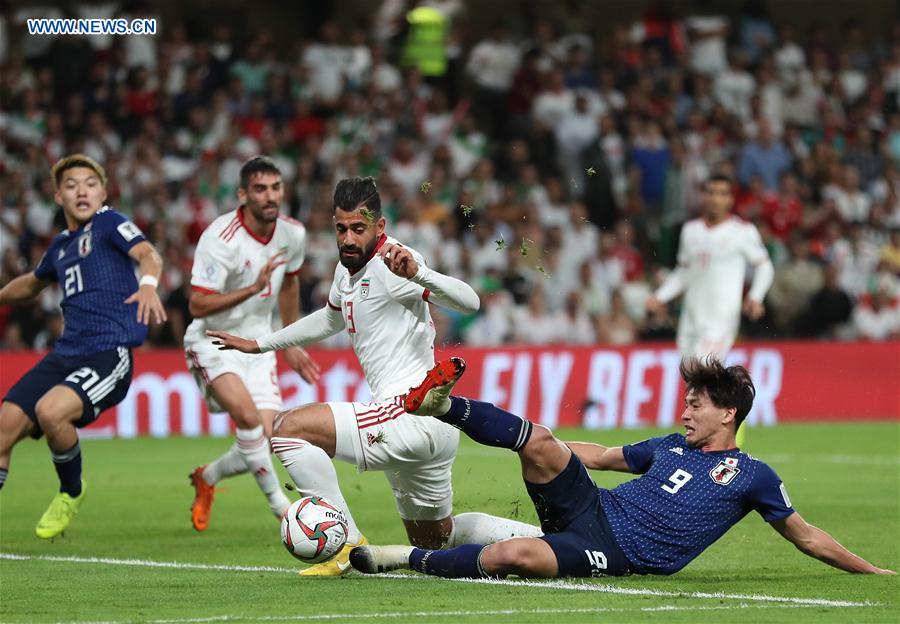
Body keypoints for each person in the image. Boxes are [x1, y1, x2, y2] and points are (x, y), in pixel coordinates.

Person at [209, 176, 541, 576]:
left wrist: (420, 273)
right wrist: (261, 344)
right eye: (341, 228)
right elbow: (330, 319)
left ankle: (345, 546)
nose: (348, 238)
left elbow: (469, 302)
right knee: (436, 540)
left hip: (411, 411)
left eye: (358, 229)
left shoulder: (394, 263)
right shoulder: (346, 270)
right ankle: (547, 540)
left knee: (287, 428)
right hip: (429, 425)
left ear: (379, 227)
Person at [350, 357, 895, 579]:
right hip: (592, 506)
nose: (684, 411)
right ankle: (442, 405)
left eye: (696, 404)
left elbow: (807, 537)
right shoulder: (669, 445)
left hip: (618, 551)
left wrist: (872, 573)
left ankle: (407, 558)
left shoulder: (753, 476)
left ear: (728, 413)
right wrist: (548, 450)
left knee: (513, 555)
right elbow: (605, 458)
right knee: (538, 439)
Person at [0, 154, 166, 539]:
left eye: (90, 183)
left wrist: (148, 284)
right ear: (58, 195)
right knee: (4, 427)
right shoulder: (60, 246)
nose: (82, 191)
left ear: (103, 192)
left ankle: (71, 490)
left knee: (50, 411)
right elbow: (31, 283)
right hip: (66, 353)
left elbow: (147, 254)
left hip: (109, 353)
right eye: (72, 185)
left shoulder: (110, 222)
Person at [185, 156, 320, 531]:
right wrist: (252, 289)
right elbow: (197, 303)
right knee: (247, 418)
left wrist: (290, 340)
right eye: (260, 189)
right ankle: (284, 510)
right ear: (243, 194)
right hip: (213, 340)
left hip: (258, 343)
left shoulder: (293, 233)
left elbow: (290, 282)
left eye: (276, 188)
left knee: (262, 434)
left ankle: (207, 477)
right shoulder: (220, 238)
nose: (270, 196)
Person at [646, 174, 774, 446]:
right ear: (703, 196)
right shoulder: (691, 230)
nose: (715, 198)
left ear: (730, 199)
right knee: (693, 382)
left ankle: (729, 444)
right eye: (711, 192)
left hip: (720, 319)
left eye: (722, 193)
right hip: (691, 318)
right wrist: (660, 296)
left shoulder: (742, 231)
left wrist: (755, 296)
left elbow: (764, 266)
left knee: (705, 382)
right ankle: (705, 443)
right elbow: (683, 272)